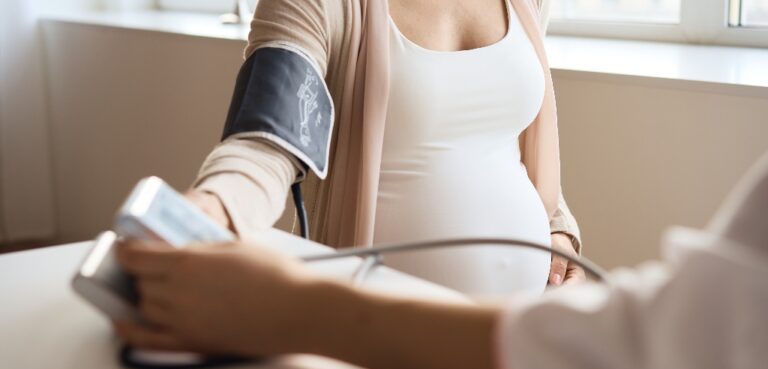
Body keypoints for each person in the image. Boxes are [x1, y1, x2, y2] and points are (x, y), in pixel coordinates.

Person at [115, 150, 768, 369]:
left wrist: (560, 234)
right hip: (398, 348)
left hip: (501, 342)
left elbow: (535, 161)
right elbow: (268, 132)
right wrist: (212, 206)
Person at [184, 0, 585, 296]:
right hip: (375, 333)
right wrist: (212, 207)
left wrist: (558, 228)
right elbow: (265, 140)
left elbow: (507, 132)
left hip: (521, 332)